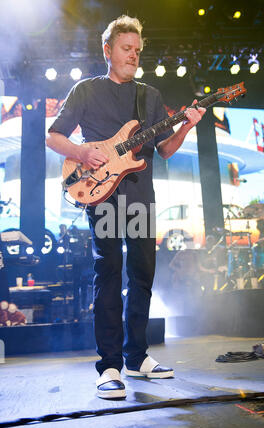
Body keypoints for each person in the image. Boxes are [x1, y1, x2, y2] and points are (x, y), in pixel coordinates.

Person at [46, 15, 206, 399]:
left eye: (137, 50)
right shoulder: (86, 90)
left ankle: (137, 357)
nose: (133, 55)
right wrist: (83, 151)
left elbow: (165, 149)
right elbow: (53, 136)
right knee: (110, 272)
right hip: (100, 193)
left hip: (140, 197)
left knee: (142, 276)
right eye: (126, 49)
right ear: (108, 51)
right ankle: (110, 366)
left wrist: (187, 124)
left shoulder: (148, 96)